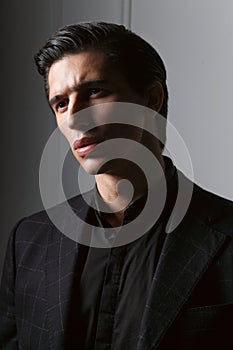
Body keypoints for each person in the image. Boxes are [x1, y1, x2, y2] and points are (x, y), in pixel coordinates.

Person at [0, 22, 232, 350]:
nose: (74, 118)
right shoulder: (27, 241)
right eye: (61, 103)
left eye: (94, 91)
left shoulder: (227, 235)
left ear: (151, 99)